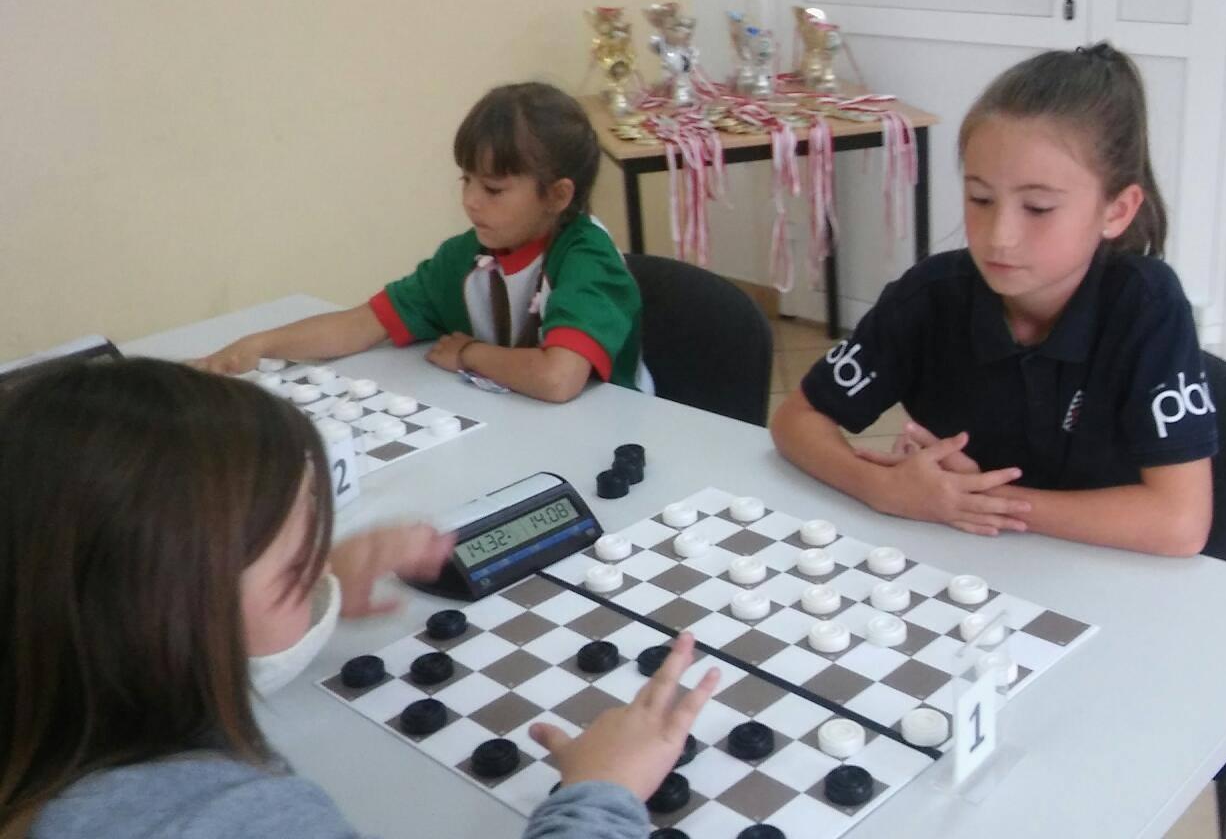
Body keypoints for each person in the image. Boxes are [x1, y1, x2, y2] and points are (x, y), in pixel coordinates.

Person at [0, 358, 717, 839]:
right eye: (298, 562)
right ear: (174, 613)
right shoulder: (233, 819)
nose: (319, 565)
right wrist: (603, 794)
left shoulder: (55, 695)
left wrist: (322, 586)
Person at [770, 44, 1217, 556]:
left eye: (1038, 207)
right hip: (960, 564)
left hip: (1100, 569)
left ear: (1116, 211)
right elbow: (796, 420)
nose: (999, 237)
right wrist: (884, 487)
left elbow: (1180, 523)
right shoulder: (931, 295)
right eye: (980, 198)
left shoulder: (1147, 305)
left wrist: (974, 499)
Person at [193, 82, 651, 402]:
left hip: (617, 438)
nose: (470, 201)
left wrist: (469, 354)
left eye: (493, 189)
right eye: (466, 180)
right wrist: (260, 344)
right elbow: (362, 324)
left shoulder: (587, 259)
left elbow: (557, 379)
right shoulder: (464, 257)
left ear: (557, 196)